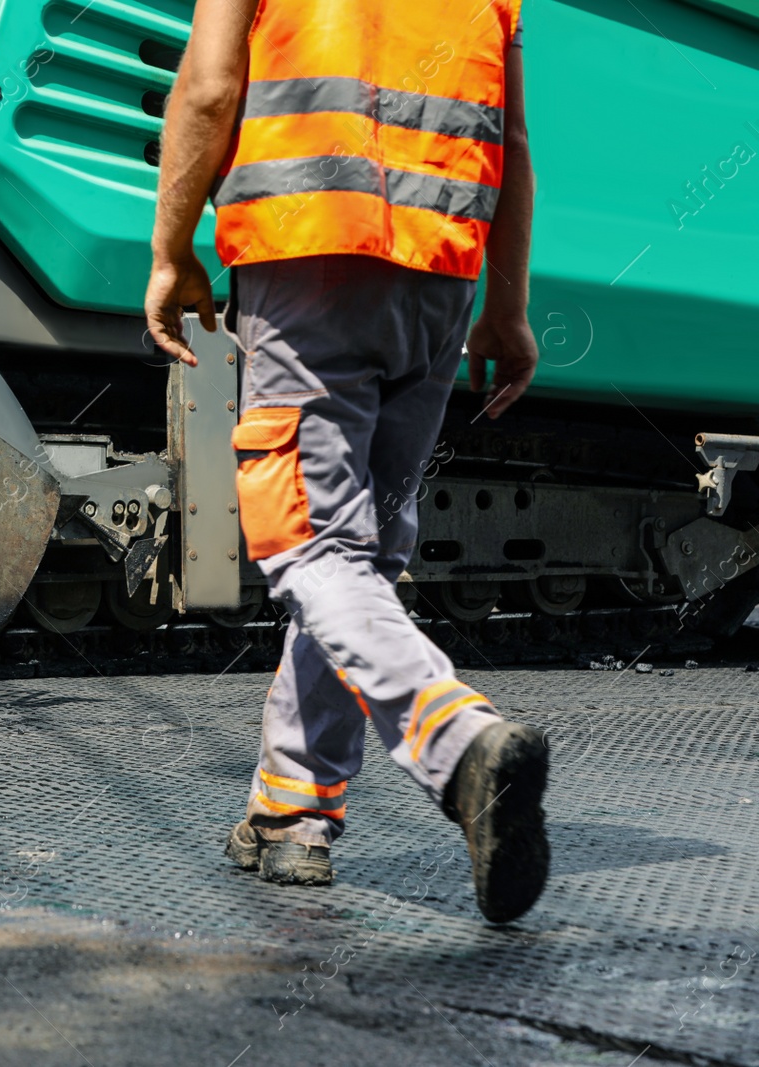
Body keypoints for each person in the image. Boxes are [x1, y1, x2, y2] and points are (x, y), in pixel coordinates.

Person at [145, 0, 547, 923]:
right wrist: (509, 305)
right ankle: (294, 810)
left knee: (310, 546)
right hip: (441, 279)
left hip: (305, 261)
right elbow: (512, 146)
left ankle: (457, 742)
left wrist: (170, 252)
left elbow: (209, 91)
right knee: (359, 559)